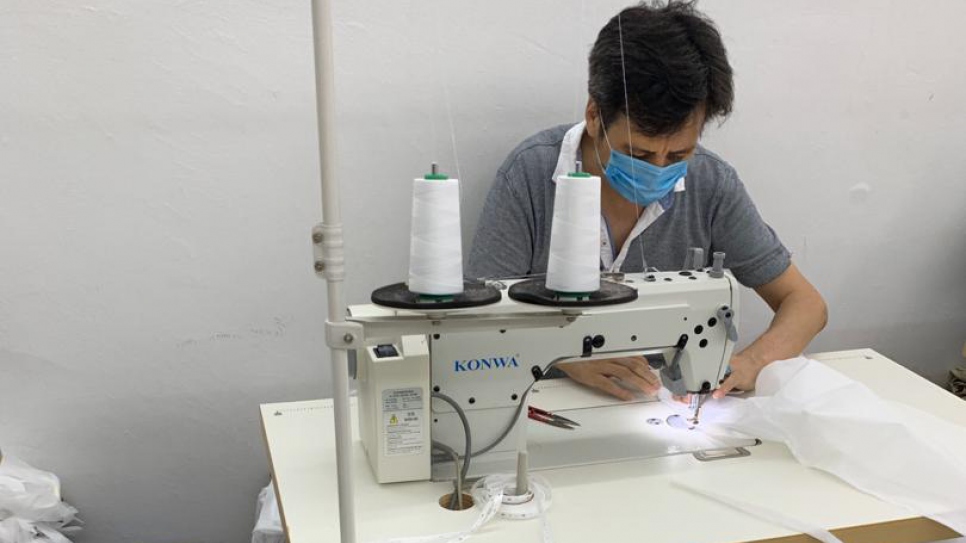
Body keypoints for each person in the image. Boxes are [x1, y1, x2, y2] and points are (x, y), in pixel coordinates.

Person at [466, 1, 828, 401]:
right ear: (593, 114)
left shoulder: (710, 184)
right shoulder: (530, 177)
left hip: (658, 399)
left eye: (676, 156)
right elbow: (479, 322)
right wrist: (565, 353)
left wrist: (748, 364)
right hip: (544, 401)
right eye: (638, 154)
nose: (658, 168)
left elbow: (805, 304)